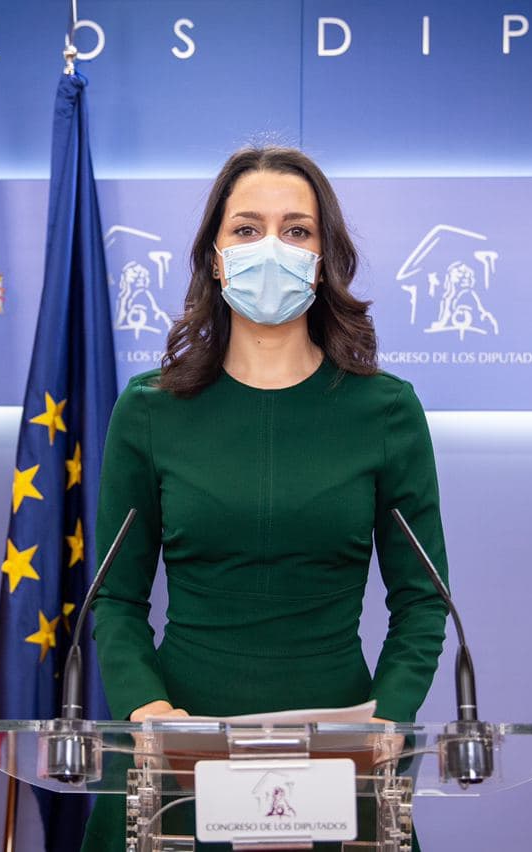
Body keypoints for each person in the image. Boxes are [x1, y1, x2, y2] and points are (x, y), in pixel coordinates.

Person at [81, 146, 450, 850]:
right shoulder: (150, 411)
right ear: (215, 258)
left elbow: (424, 600)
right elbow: (117, 601)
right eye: (247, 229)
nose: (271, 247)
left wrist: (385, 722)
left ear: (323, 258)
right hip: (175, 757)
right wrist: (148, 710)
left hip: (342, 758)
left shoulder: (387, 411)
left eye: (297, 230)